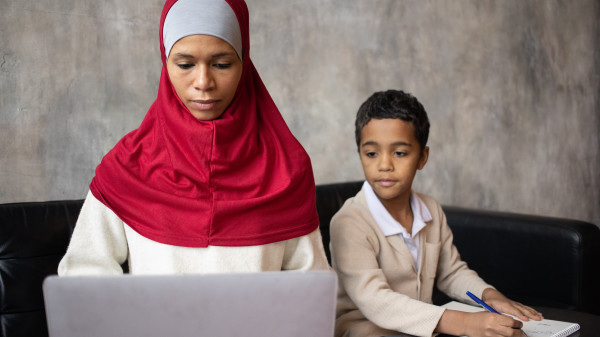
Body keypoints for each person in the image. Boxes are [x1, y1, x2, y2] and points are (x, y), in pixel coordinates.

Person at [58, 0, 330, 276]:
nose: (203, 82)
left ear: (244, 61)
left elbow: (312, 286)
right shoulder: (126, 166)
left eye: (222, 64)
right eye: (185, 64)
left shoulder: (287, 168)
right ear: (165, 63)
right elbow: (83, 276)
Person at [329, 90, 543, 337]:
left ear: (422, 157)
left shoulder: (430, 210)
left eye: (399, 153)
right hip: (365, 330)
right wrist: (465, 323)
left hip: (422, 328)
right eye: (371, 153)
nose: (384, 164)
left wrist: (490, 295)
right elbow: (376, 300)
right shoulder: (349, 222)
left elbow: (451, 272)